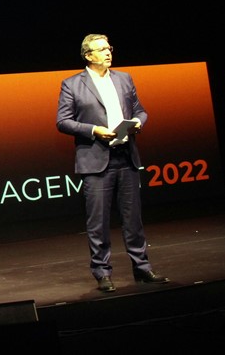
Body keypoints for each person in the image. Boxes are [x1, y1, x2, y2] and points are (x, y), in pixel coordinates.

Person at [56, 33, 169, 292]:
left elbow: (140, 110)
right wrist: (94, 130)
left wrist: (138, 121)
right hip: (96, 161)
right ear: (88, 55)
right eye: (102, 49)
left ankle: (142, 268)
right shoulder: (72, 84)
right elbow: (63, 121)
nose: (108, 52)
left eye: (109, 48)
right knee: (98, 222)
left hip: (126, 157)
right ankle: (102, 273)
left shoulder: (124, 78)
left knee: (133, 219)